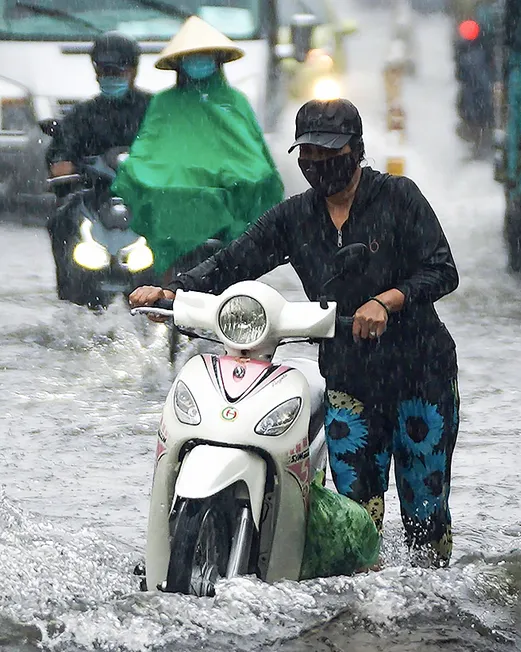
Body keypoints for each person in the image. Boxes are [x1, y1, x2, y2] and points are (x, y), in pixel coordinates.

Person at [130, 99, 461, 569]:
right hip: (349, 378)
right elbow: (235, 261)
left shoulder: (398, 197)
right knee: (355, 520)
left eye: (331, 153)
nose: (320, 164)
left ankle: (433, 597)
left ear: (356, 150)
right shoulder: (295, 217)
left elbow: (443, 270)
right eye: (310, 155)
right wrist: (174, 291)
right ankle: (364, 599)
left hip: (420, 375)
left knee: (425, 516)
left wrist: (387, 301)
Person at [112, 16, 284, 281]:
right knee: (161, 203)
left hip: (225, 190)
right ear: (180, 63)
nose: (198, 62)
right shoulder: (164, 102)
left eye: (204, 56)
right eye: (191, 57)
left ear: (217, 59)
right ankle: (167, 286)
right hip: (171, 193)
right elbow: (149, 147)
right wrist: (138, 169)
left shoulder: (234, 101)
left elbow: (251, 153)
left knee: (247, 190)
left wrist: (234, 173)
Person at [46, 31, 151, 180]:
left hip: (146, 187)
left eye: (117, 72)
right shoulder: (82, 114)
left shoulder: (154, 109)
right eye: (105, 71)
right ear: (96, 72)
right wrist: (76, 165)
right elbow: (59, 162)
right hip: (94, 189)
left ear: (134, 71)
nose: (110, 77)